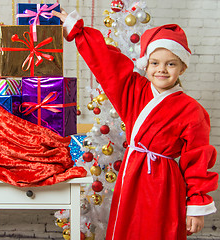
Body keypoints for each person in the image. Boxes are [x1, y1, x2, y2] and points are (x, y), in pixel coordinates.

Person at [52, 9, 218, 240]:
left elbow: (197, 161)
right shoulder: (133, 90)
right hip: (131, 176)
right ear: (146, 65)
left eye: (171, 64)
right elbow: (106, 62)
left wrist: (196, 205)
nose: (161, 69)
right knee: (127, 230)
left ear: (182, 68)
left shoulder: (192, 111)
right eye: (155, 63)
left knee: (158, 231)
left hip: (164, 183)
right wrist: (78, 31)